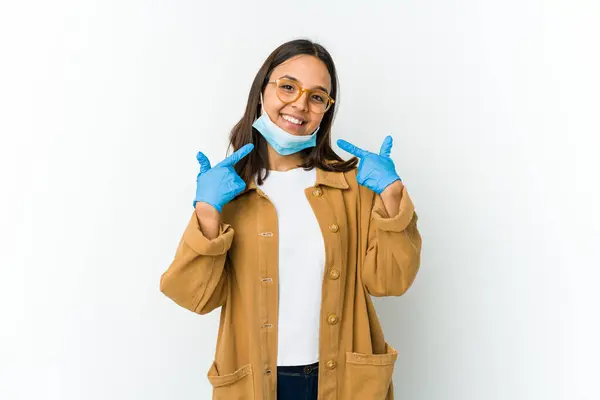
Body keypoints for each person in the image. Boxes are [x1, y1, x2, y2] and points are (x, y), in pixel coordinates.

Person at [159, 39, 422, 400]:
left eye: (317, 96)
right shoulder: (230, 192)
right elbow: (195, 298)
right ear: (261, 90)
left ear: (326, 110)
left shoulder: (352, 187)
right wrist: (207, 213)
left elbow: (389, 282)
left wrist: (391, 195)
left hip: (343, 380)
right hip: (256, 382)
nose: (300, 103)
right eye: (288, 86)